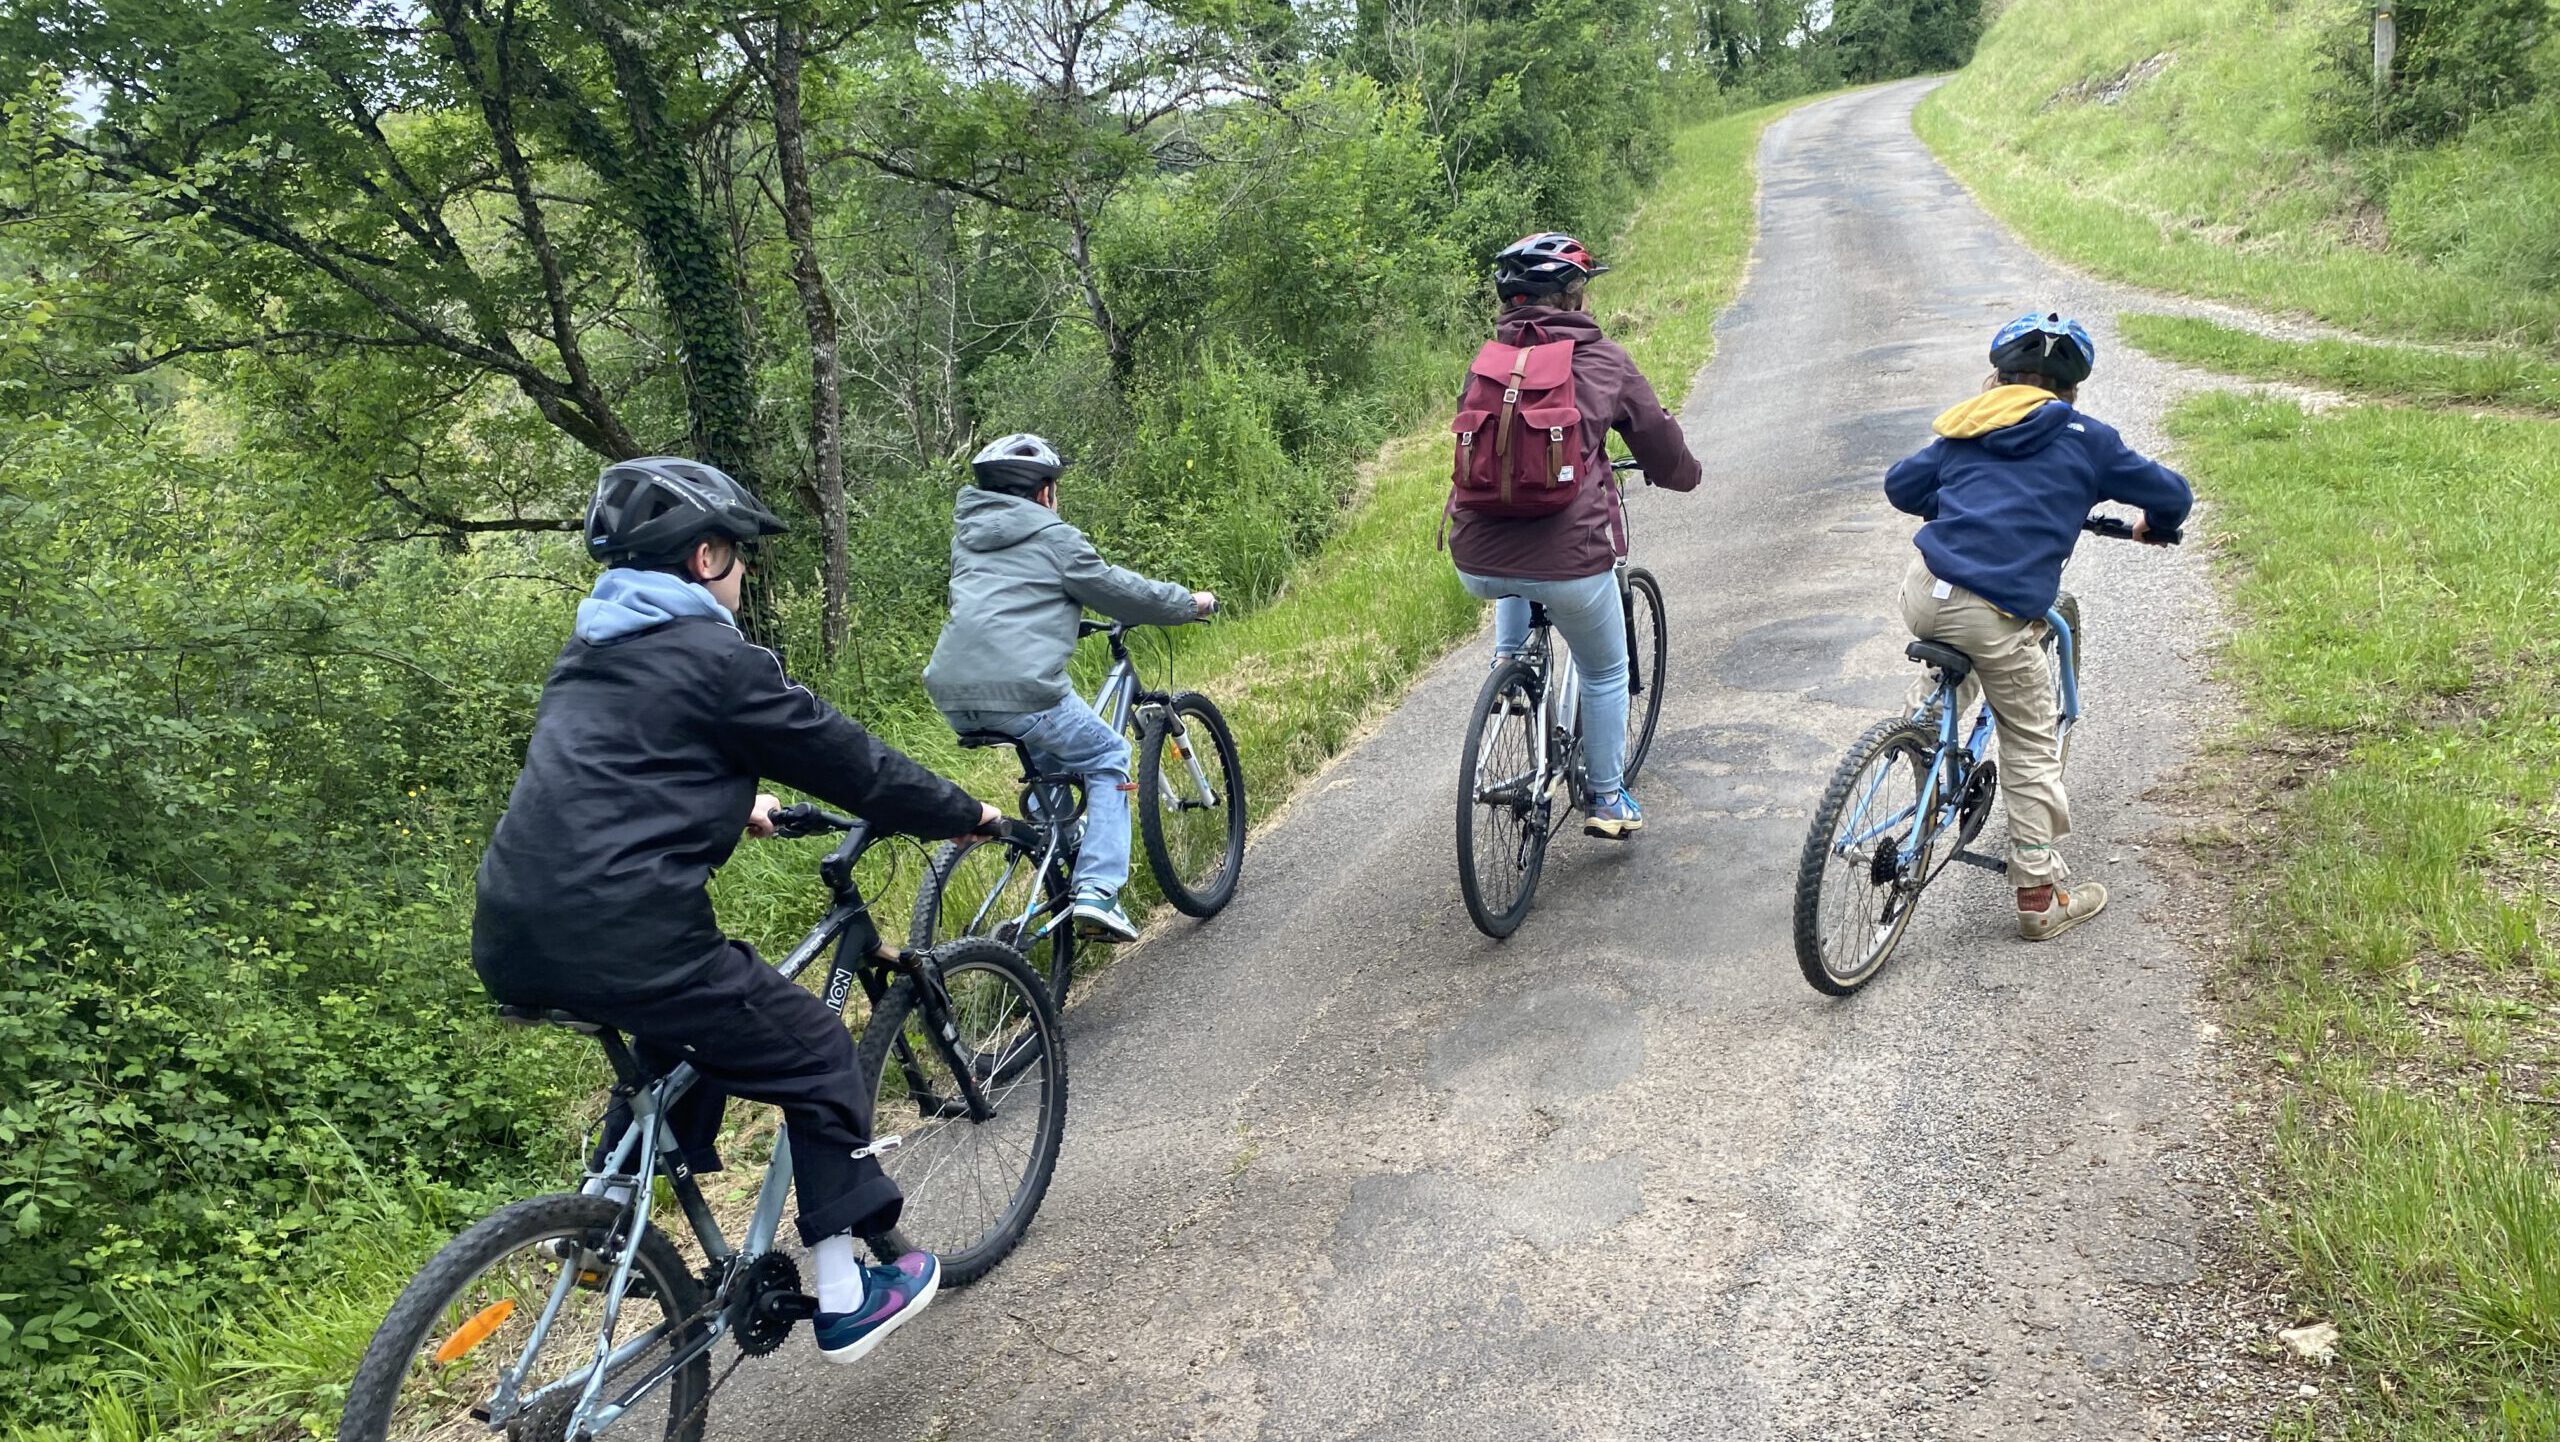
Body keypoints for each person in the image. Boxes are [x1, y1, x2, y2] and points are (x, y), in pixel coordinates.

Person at [472, 456, 1002, 1364]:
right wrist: (970, 812)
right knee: (814, 1047)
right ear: (705, 555)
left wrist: (736, 802)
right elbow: (853, 764)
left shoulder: (594, 650)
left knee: (689, 1027)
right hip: (625, 931)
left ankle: (604, 1233)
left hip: (514, 928)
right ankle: (847, 1292)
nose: (746, 576)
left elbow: (619, 768)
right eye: (740, 558)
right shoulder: (717, 657)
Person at [1884, 312, 2192, 942]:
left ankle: (1919, 735)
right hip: (1994, 610)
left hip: (1925, 596)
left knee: (1958, 652)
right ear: (2070, 390)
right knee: (2030, 743)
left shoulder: (1971, 426)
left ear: (1997, 378)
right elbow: (2173, 495)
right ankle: (2038, 895)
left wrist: (1966, 495)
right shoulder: (2089, 440)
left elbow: (1903, 486)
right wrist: (2155, 524)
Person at [1447, 232, 1703, 838]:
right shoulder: (1604, 360)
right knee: (1606, 670)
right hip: (1570, 561)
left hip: (1476, 558)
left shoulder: (1485, 363)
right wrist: (1685, 474)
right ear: (1569, 298)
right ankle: (1609, 798)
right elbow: (1660, 445)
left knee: (1515, 565)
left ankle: (1509, 665)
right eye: (1580, 289)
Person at [923, 434, 1215, 942]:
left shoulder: (967, 539)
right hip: (1020, 689)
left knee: (1052, 756)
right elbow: (1120, 591)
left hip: (954, 692)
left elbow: (1003, 605)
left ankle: (1054, 846)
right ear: (1042, 494)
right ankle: (1098, 892)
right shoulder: (1055, 538)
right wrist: (1189, 604)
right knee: (1107, 753)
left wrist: (1058, 617)